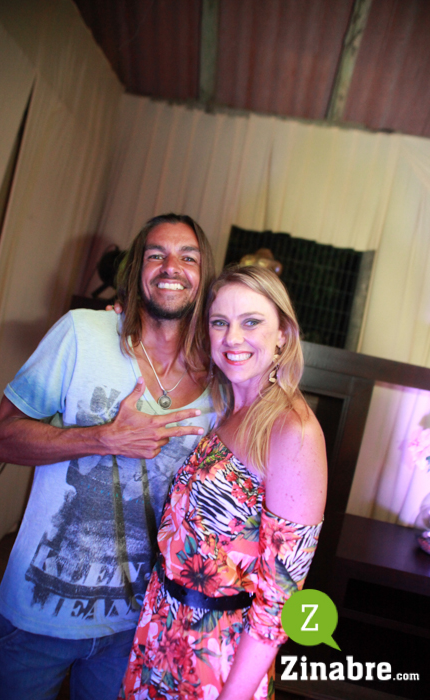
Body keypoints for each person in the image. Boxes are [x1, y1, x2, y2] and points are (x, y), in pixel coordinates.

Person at [0, 214, 217, 700]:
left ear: (204, 275)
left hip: (135, 628)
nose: (171, 267)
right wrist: (105, 438)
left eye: (188, 257)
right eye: (156, 254)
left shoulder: (220, 380)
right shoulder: (82, 333)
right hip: (37, 615)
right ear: (136, 270)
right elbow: (0, 439)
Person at [120, 265, 327, 700]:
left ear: (283, 334)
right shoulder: (228, 404)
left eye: (251, 322)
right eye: (220, 322)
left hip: (216, 656)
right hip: (161, 628)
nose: (233, 338)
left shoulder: (293, 430)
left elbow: (280, 600)